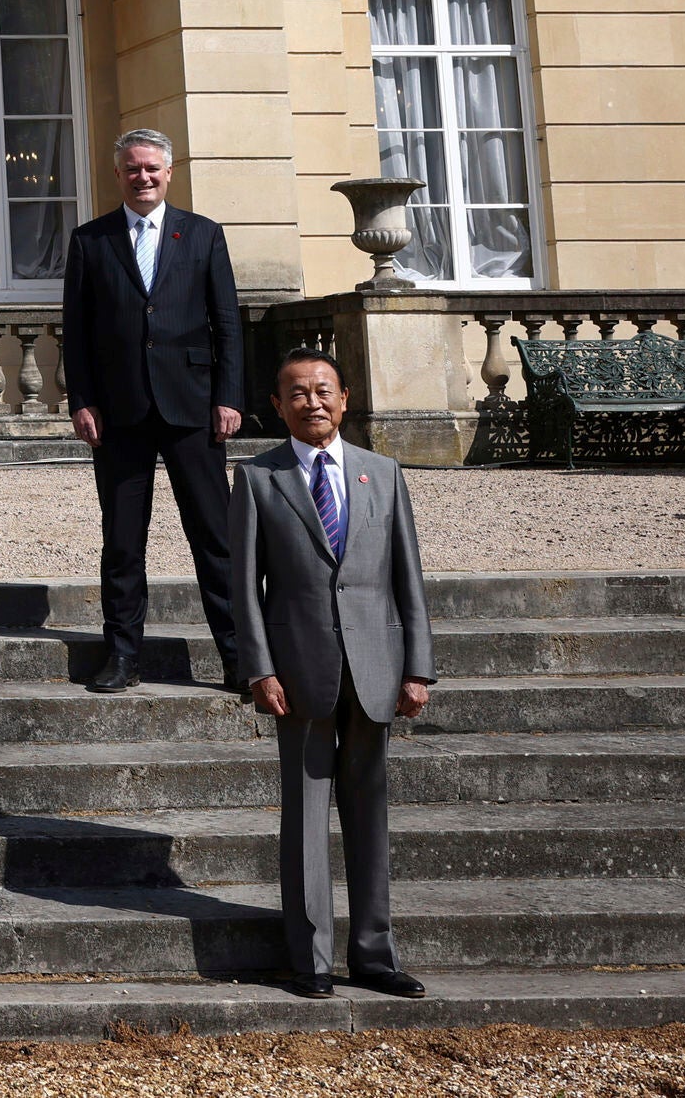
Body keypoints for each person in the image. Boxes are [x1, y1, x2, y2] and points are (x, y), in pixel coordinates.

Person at [231, 346, 436, 1001]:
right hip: (298, 674)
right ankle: (310, 959)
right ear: (277, 405)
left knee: (370, 816)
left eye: (323, 390)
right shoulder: (259, 480)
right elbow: (243, 588)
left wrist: (418, 669)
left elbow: (408, 578)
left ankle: (374, 956)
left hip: (377, 667)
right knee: (305, 818)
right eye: (296, 392)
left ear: (345, 398)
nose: (312, 402)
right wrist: (259, 669)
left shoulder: (384, 473)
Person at [57, 126, 246, 693]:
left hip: (192, 405)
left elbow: (227, 323)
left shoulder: (204, 234)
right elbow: (77, 331)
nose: (143, 177)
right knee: (122, 540)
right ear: (118, 175)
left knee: (215, 537)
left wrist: (229, 396)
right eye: (133, 168)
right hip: (118, 410)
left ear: (169, 172)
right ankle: (120, 654)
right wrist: (82, 400)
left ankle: (239, 657)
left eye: (152, 168)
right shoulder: (91, 240)